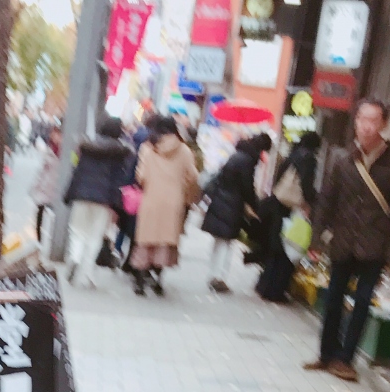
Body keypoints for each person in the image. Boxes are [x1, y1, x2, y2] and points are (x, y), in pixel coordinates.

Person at [305, 98, 390, 381]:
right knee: (333, 299)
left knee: (362, 303)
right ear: (356, 122)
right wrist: (319, 238)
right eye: (362, 119)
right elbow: (327, 201)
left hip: (375, 245)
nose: (366, 126)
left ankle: (345, 359)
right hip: (343, 241)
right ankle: (326, 355)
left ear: (383, 124)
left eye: (373, 120)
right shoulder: (343, 159)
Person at [129, 115, 201, 297]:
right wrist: (182, 186)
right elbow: (193, 176)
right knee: (165, 241)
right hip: (174, 200)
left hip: (151, 198)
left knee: (146, 239)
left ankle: (140, 280)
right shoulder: (184, 150)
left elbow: (141, 176)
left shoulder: (148, 148)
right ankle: (158, 279)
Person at [62, 116, 130, 288]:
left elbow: (77, 172)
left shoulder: (87, 148)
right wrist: (116, 205)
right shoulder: (120, 153)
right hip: (104, 200)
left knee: (77, 231)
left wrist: (69, 194)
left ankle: (75, 257)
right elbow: (119, 180)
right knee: (95, 236)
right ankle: (87, 275)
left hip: (82, 195)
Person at [200, 132, 272, 293]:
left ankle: (213, 274)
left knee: (219, 241)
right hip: (231, 204)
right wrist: (254, 205)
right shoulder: (248, 160)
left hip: (220, 200)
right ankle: (219, 278)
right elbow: (247, 186)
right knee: (226, 242)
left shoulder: (238, 155)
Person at [255, 130, 321, 303]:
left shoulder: (293, 154)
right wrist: (311, 202)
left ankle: (264, 286)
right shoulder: (309, 158)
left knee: (276, 247)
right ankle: (276, 291)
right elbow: (306, 184)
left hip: (278, 204)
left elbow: (279, 178)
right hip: (292, 208)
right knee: (288, 248)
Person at [30, 124, 61, 243]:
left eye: (56, 134)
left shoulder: (67, 150)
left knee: (55, 215)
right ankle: (39, 240)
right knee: (40, 212)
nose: (54, 136)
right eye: (53, 134)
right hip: (46, 186)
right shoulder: (50, 150)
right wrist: (36, 185)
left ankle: (53, 239)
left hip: (57, 188)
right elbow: (42, 170)